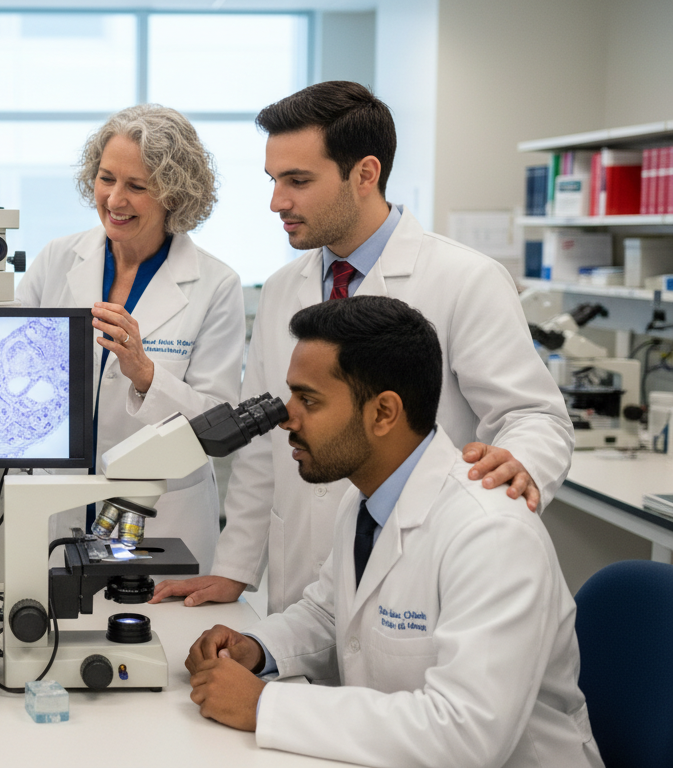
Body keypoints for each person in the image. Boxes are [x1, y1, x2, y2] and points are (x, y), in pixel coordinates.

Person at [152, 81, 572, 613]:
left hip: (417, 575)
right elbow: (263, 447)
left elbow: (534, 415)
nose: (277, 202)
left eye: (298, 180)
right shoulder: (283, 289)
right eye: (274, 179)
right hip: (301, 578)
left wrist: (521, 463)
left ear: (365, 174)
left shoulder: (466, 279)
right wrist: (233, 570)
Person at [185, 296, 599, 768]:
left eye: (309, 399)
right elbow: (331, 614)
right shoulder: (365, 498)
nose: (286, 419)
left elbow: (466, 735)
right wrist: (258, 648)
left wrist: (264, 706)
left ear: (383, 413)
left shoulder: (491, 535)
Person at [17, 104, 246, 571]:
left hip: (158, 519)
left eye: (137, 187)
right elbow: (7, 369)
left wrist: (145, 375)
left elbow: (217, 425)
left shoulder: (215, 285)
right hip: (54, 508)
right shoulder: (58, 260)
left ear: (174, 196)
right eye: (106, 178)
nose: (114, 200)